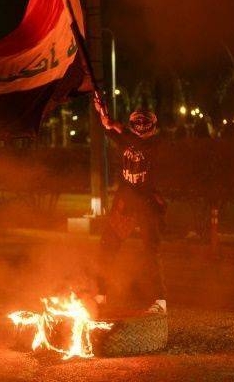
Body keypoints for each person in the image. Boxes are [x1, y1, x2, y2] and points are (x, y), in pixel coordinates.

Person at [93, 96, 167, 314]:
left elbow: (137, 143)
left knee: (150, 252)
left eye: (146, 125)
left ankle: (160, 301)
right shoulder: (126, 139)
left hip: (147, 205)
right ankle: (100, 294)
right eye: (138, 124)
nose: (142, 128)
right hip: (125, 205)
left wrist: (117, 126)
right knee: (108, 245)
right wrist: (103, 115)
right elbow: (111, 131)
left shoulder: (155, 144)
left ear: (153, 127)